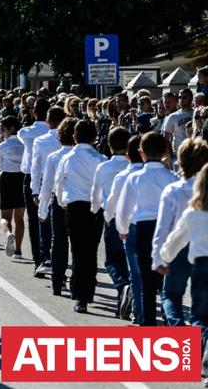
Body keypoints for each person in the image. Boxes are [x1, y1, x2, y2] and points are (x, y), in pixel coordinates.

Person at [116, 131, 178, 325]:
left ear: (141, 152)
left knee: (146, 282)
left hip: (143, 229)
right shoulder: (172, 178)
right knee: (168, 281)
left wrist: (123, 228)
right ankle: (170, 319)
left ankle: (148, 323)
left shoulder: (134, 178)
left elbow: (124, 208)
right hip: (167, 230)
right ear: (165, 152)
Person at [158, 163, 208, 386]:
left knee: (200, 316)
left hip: (202, 267)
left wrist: (164, 258)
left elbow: (175, 239)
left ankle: (202, 359)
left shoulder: (193, 213)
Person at [152, 139, 208, 326]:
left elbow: (163, 228)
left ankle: (178, 329)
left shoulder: (173, 189)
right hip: (202, 248)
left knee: (171, 295)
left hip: (178, 248)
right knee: (201, 309)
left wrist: (159, 258)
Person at [54, 120, 106, 313]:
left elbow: (59, 183)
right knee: (90, 251)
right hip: (95, 209)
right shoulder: (100, 159)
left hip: (74, 207)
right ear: (95, 137)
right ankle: (88, 291)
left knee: (77, 252)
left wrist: (61, 201)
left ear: (74, 137)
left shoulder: (67, 158)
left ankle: (80, 296)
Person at [90, 127, 131, 317]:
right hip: (134, 218)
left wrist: (96, 210)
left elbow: (96, 196)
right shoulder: (133, 167)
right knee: (131, 262)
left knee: (113, 260)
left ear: (109, 146)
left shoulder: (104, 166)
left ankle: (122, 288)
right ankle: (128, 299)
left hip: (112, 217)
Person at [103, 136, 144, 320]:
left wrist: (110, 219)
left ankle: (126, 291)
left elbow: (111, 202)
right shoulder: (165, 174)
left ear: (128, 155)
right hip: (151, 224)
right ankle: (139, 309)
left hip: (126, 223)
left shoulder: (124, 175)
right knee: (142, 271)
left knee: (115, 262)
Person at [38, 117, 78, 296]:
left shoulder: (54, 157)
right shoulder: (90, 156)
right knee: (78, 244)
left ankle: (58, 280)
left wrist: (42, 209)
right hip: (81, 202)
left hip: (59, 201)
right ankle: (76, 282)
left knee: (59, 242)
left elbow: (47, 185)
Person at [29, 106, 66, 275]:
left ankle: (47, 259)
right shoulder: (66, 140)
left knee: (44, 220)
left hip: (47, 182)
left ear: (47, 122)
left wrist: (35, 191)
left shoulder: (41, 141)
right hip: (66, 184)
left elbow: (35, 168)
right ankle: (57, 261)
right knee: (60, 229)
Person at [17, 99, 51, 271]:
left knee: (33, 219)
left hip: (31, 176)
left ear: (34, 113)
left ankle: (38, 260)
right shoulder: (54, 133)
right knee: (48, 219)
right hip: (51, 177)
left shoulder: (26, 132)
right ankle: (47, 256)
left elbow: (21, 134)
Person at [0, 116, 25, 258]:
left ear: (11, 129)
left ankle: (8, 235)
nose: (1, 133)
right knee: (20, 219)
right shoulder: (25, 144)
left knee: (5, 218)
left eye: (3, 130)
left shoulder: (2, 146)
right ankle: (19, 250)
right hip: (22, 178)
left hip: (8, 179)